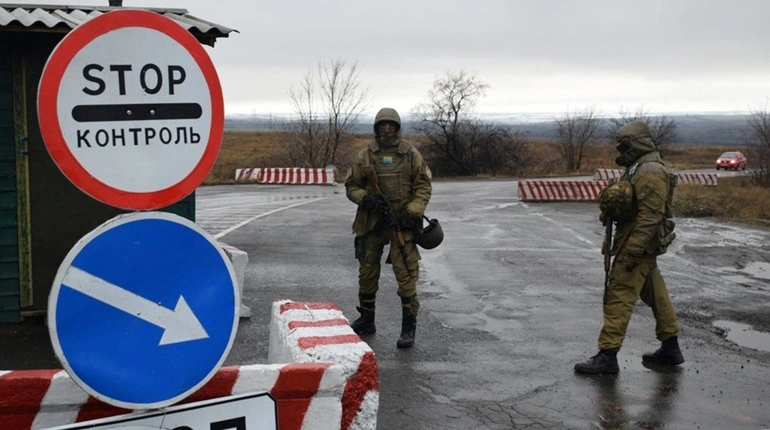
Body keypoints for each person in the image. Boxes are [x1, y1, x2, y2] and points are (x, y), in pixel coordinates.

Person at [575, 121, 684, 374]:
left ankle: (608, 354)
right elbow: (628, 202)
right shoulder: (638, 167)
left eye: (624, 145)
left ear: (636, 143)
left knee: (619, 293)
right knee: (656, 293)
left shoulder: (650, 170)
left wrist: (633, 251)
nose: (621, 150)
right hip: (636, 240)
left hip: (638, 243)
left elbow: (650, 216)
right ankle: (671, 346)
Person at [344, 107, 432, 348]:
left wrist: (412, 213)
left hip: (402, 223)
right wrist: (367, 199)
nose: (386, 129)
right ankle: (367, 319)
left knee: (406, 272)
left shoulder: (410, 154)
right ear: (376, 128)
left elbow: (423, 186)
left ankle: (408, 326)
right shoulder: (365, 156)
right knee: (367, 270)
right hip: (372, 221)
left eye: (390, 125)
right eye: (382, 125)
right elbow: (351, 185)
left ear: (397, 127)